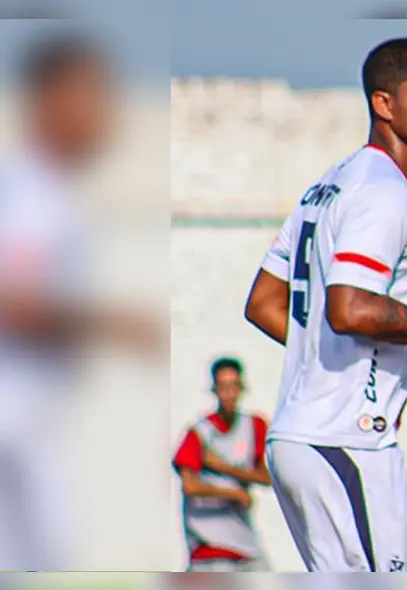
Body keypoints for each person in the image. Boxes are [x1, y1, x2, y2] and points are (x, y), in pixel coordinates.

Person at [243, 37, 407, 573]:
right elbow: (349, 309)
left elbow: (265, 303)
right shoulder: (383, 192)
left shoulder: (332, 183)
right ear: (384, 104)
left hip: (304, 439)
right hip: (343, 442)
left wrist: (382, 356)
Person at [0, 31, 159, 570]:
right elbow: (11, 303)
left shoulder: (51, 192)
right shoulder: (34, 193)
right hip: (15, 430)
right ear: (49, 99)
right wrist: (113, 322)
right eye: (89, 95)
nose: (104, 114)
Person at [172, 357, 272, 572]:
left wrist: (222, 467)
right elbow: (189, 486)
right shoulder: (199, 432)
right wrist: (234, 494)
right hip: (208, 544)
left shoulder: (254, 426)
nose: (228, 394)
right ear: (214, 390)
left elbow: (266, 477)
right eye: (223, 387)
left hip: (244, 541)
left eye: (233, 387)